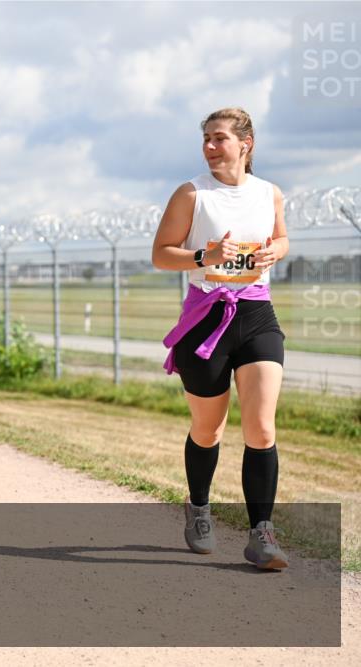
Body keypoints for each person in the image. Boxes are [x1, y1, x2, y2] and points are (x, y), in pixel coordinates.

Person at [153, 107, 290, 570]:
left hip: (256, 315)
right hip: (207, 320)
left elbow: (283, 238)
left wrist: (276, 249)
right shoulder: (192, 194)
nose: (210, 147)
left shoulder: (269, 193)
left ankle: (262, 534)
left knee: (262, 427)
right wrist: (201, 255)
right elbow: (160, 255)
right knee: (208, 429)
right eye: (206, 139)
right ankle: (199, 507)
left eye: (219, 139)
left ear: (245, 144)